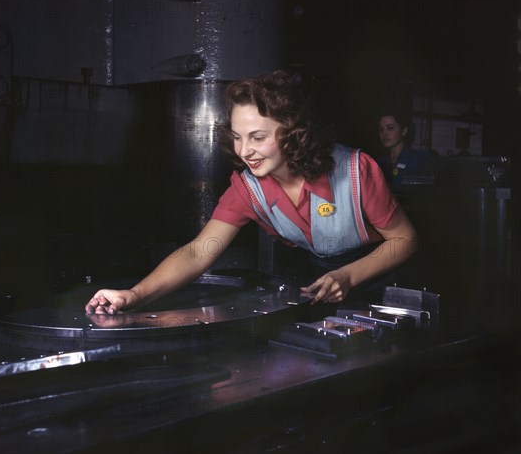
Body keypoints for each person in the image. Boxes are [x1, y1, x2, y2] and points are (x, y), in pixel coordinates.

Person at [86, 71, 418, 314]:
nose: (245, 151)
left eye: (258, 137)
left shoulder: (357, 170)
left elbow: (404, 240)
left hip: (382, 284)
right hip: (323, 285)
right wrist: (133, 295)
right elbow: (199, 251)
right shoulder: (246, 188)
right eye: (237, 136)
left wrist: (348, 275)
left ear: (294, 132)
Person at [376, 112, 430, 185]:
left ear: (404, 131)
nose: (384, 133)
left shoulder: (418, 159)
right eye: (381, 129)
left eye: (390, 128)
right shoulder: (379, 162)